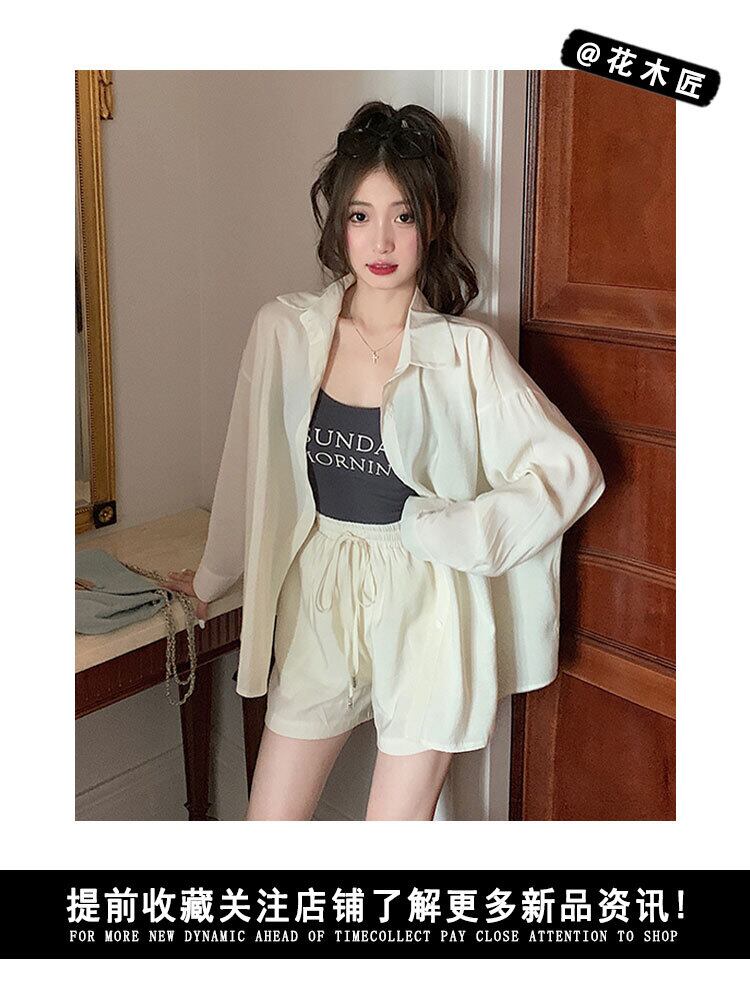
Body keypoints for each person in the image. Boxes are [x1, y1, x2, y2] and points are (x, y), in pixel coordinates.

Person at [167, 101, 605, 822]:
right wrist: (214, 576)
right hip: (320, 593)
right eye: (361, 215)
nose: (381, 240)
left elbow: (569, 472)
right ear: (338, 224)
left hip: (429, 600)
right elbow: (249, 469)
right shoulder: (285, 332)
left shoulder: (466, 353)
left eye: (403, 216)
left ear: (432, 222)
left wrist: (456, 532)